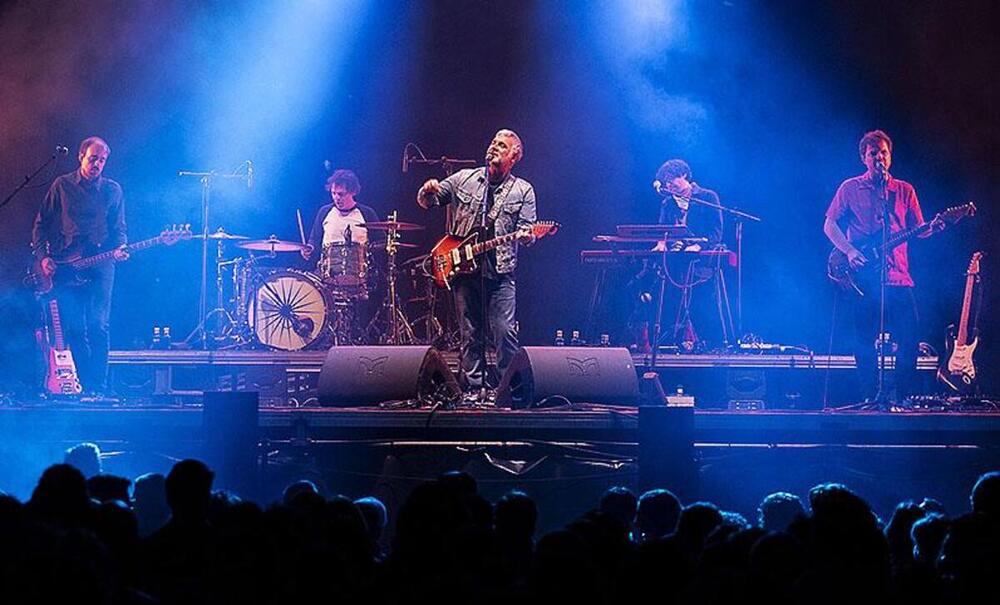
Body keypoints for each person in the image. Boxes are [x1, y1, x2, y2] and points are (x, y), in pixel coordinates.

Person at [416, 129, 537, 393]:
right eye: (493, 142)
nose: (494, 147)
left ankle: (508, 391)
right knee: (471, 334)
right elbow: (427, 202)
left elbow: (528, 232)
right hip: (463, 269)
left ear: (514, 156)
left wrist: (528, 236)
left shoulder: (523, 190)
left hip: (501, 272)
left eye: (502, 145)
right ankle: (473, 390)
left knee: (504, 333)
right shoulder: (463, 179)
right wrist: (426, 191)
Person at [824, 130, 926, 403]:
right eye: (873, 153)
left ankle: (904, 397)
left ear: (890, 156)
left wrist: (936, 226)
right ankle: (870, 397)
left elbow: (919, 229)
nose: (879, 157)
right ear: (863, 158)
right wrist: (850, 251)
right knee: (864, 340)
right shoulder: (849, 188)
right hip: (865, 279)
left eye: (884, 153)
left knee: (910, 337)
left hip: (899, 277)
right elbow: (830, 224)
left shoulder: (904, 190)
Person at [32, 136, 128, 395]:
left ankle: (99, 388)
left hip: (101, 265)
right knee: (74, 328)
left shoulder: (113, 190)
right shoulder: (62, 185)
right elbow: (41, 225)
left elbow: (119, 230)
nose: (97, 163)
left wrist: (121, 248)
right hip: (67, 265)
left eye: (102, 160)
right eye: (93, 158)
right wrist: (43, 257)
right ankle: (84, 386)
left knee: (98, 325)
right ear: (81, 157)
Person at [636, 158, 727, 351]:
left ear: (684, 175)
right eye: (665, 182)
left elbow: (716, 232)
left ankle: (711, 343)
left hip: (700, 262)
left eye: (671, 179)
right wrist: (660, 244)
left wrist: (699, 246)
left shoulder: (707, 197)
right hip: (675, 260)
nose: (668, 185)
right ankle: (664, 340)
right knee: (648, 282)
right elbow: (663, 232)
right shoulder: (668, 203)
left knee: (700, 301)